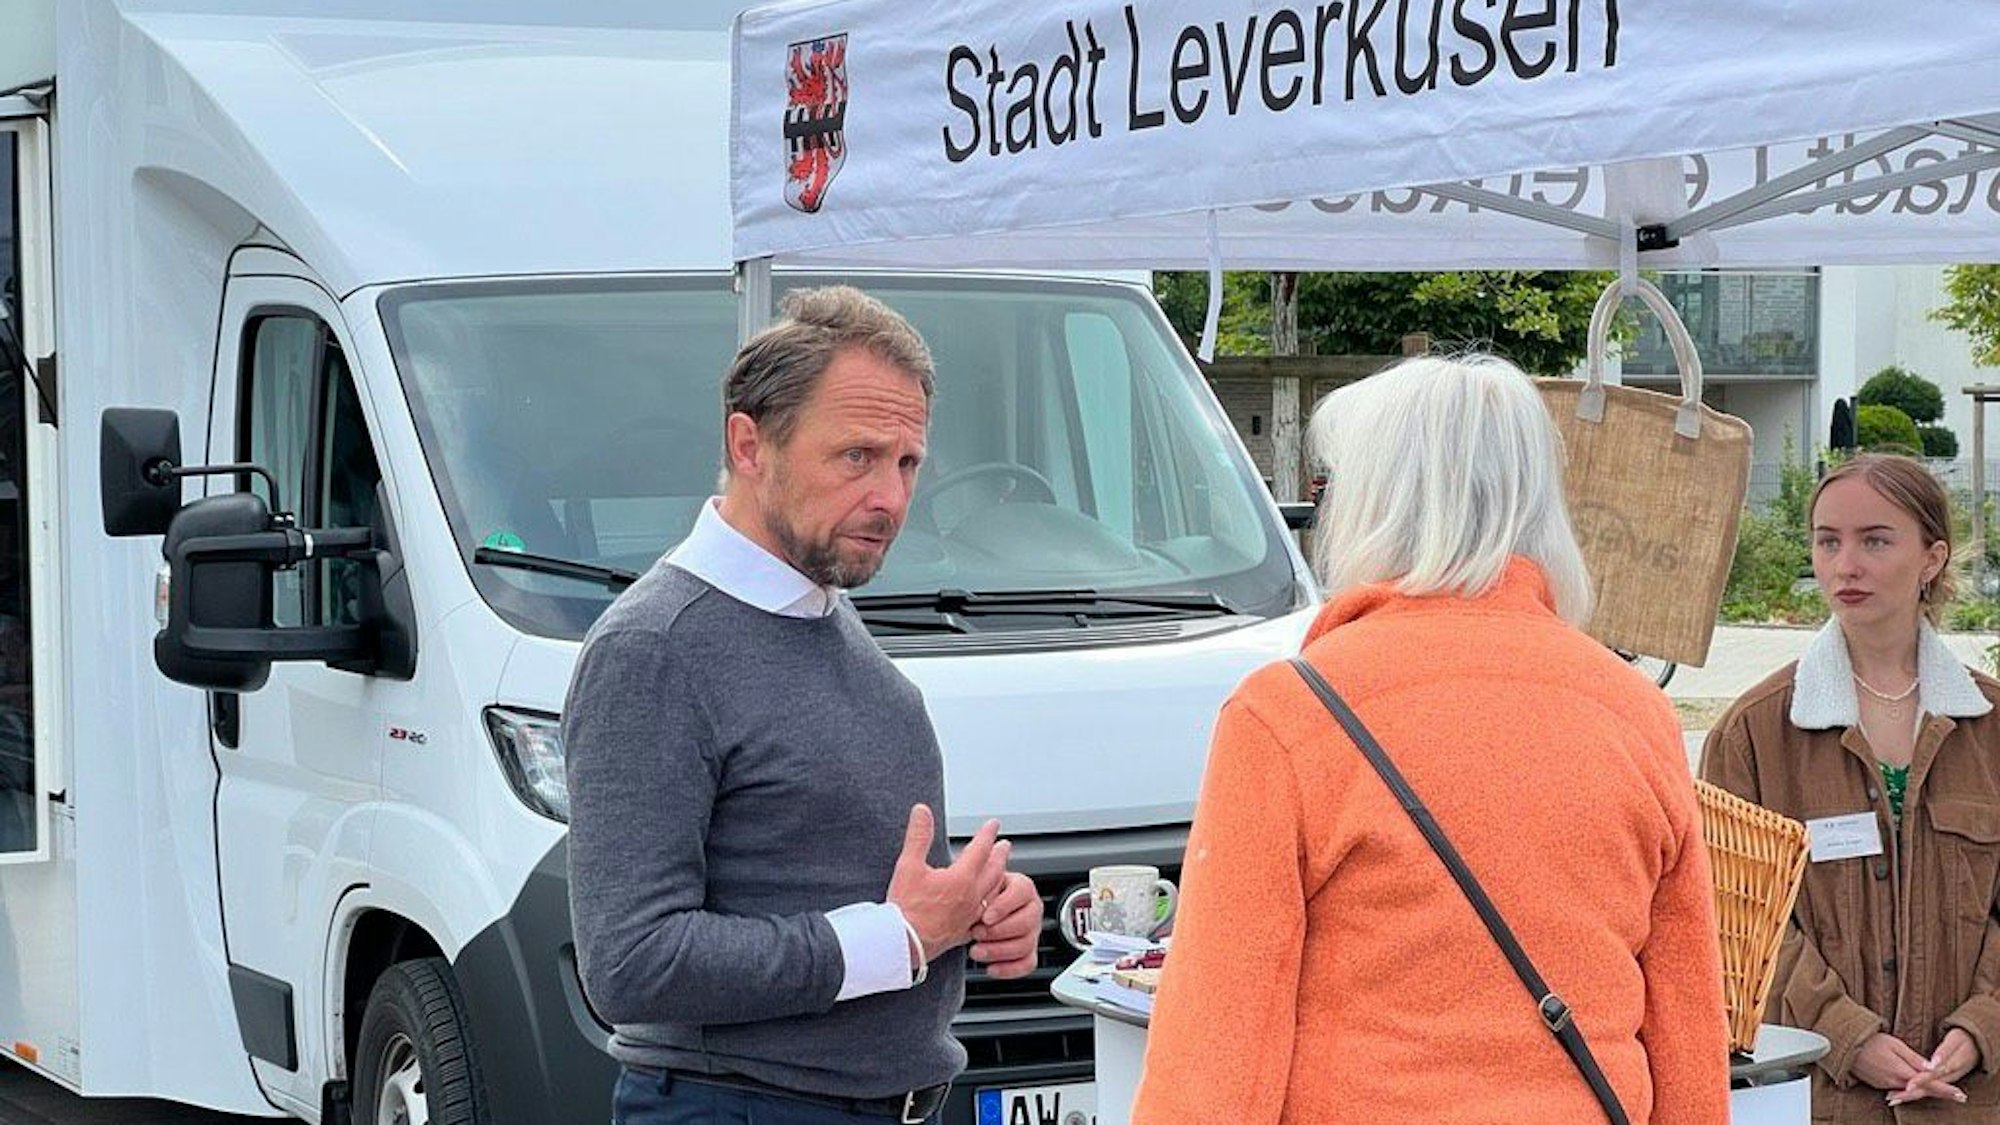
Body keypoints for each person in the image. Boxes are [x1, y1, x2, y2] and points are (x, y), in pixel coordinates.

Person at [1133, 355, 1731, 1124]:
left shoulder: (1286, 716)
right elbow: (1687, 1033)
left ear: (1375, 503)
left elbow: (1217, 1050)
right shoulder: (1636, 712)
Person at [564, 286, 1044, 1125]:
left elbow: (833, 873)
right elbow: (630, 960)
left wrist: (971, 911)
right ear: (749, 444)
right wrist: (894, 938)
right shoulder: (653, 647)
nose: (891, 497)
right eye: (857, 456)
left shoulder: (825, 607)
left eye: (907, 463)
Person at [1701, 453, 2000, 1121]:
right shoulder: (1751, 734)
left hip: (1971, 1099)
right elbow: (1728, 924)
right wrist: (1844, 1032)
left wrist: (1982, 1025)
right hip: (1816, 1096)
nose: (1845, 564)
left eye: (1875, 539)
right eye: (1827, 540)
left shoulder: (1992, 728)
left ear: (1932, 558)